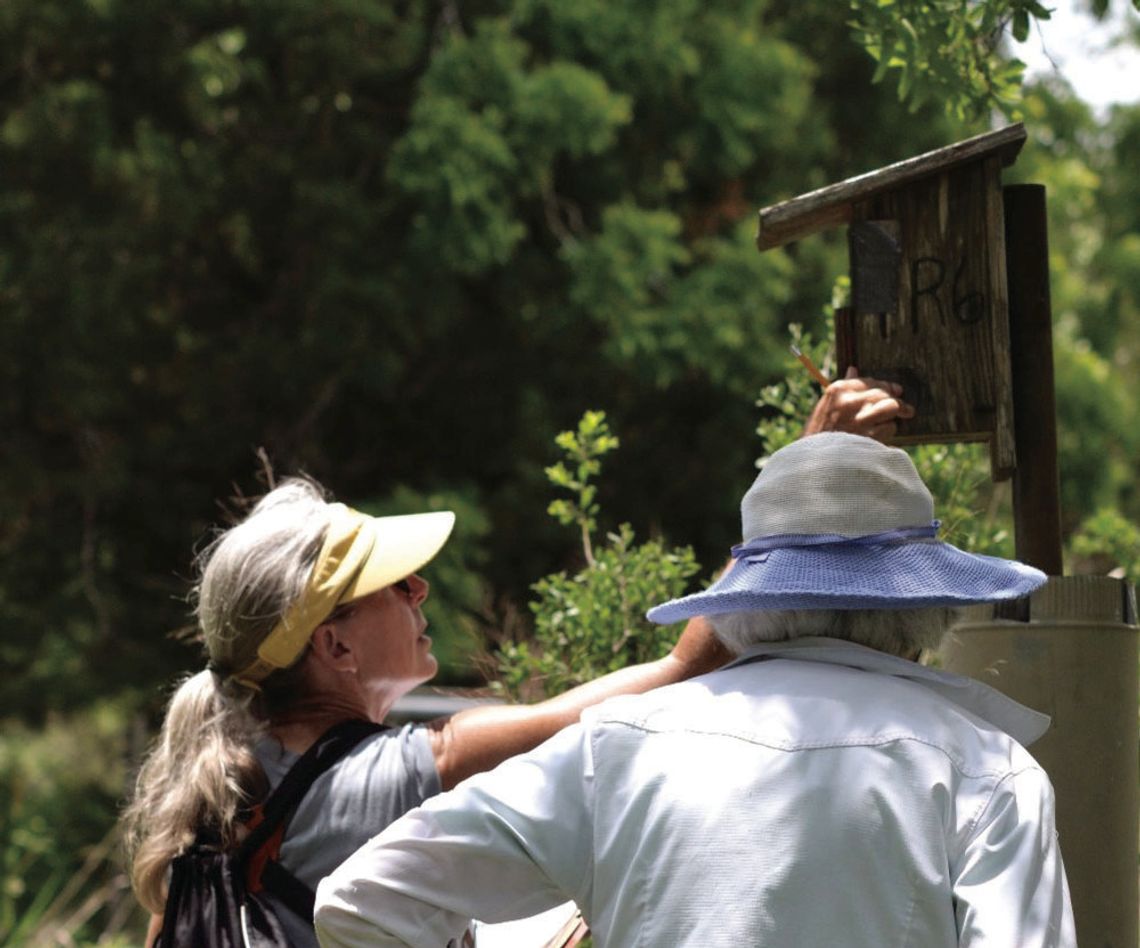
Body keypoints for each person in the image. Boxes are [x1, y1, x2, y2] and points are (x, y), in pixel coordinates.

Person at [121, 374, 911, 945]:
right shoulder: (405, 773)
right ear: (335, 644)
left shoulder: (216, 803)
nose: (422, 589)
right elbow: (681, 671)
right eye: (397, 584)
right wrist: (809, 476)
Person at [313, 432, 1076, 947]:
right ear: (928, 608)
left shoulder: (615, 748)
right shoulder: (988, 773)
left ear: (746, 597)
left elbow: (363, 899)